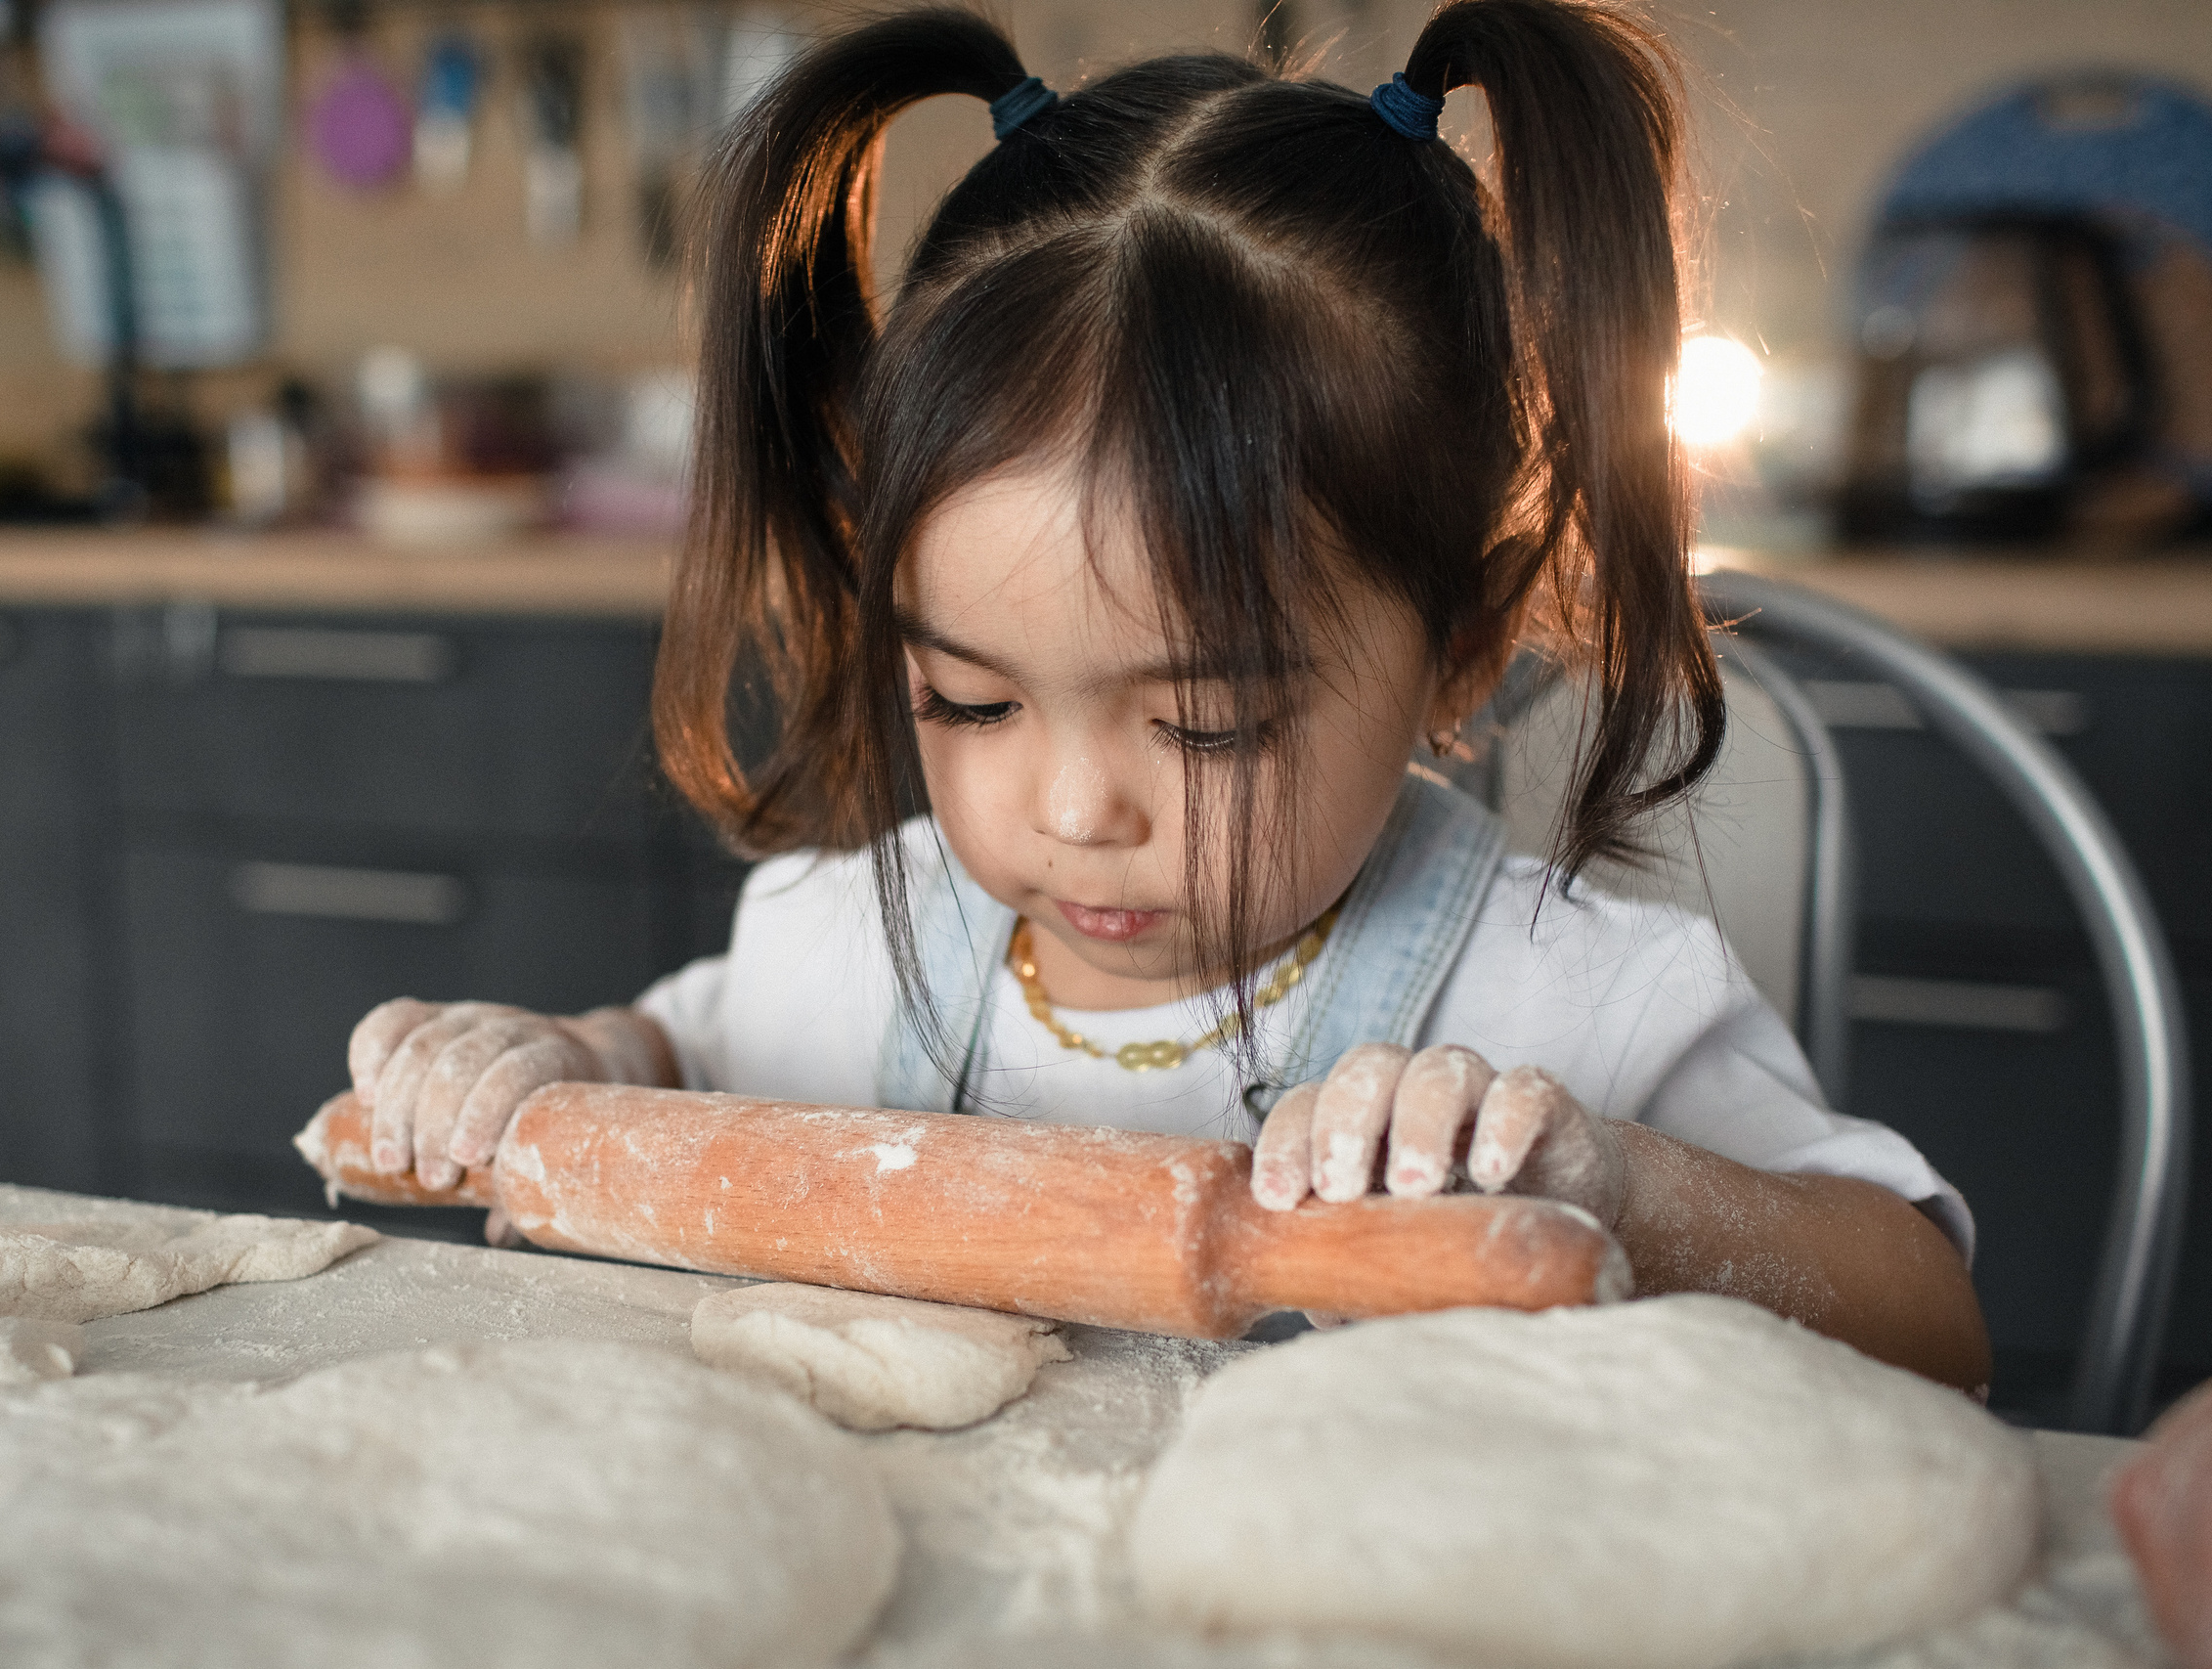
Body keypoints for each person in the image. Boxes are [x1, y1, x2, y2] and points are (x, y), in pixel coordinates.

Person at [344, 0, 1990, 1391]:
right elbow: (696, 1049)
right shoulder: (850, 941)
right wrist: (565, 1057)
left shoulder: (1575, 1003)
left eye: (1204, 723)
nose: (1071, 810)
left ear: (1466, 647)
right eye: (969, 702)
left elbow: (1937, 1329)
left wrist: (1623, 1186)